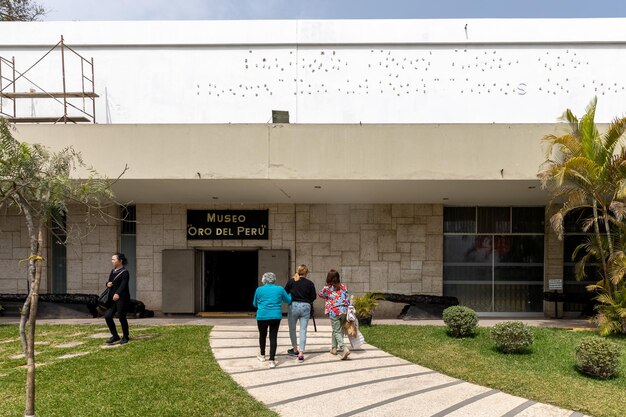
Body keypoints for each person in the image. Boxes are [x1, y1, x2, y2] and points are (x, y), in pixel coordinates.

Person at [252, 272, 291, 369]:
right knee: (273, 337)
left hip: (262, 315)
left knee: (262, 335)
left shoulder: (259, 290)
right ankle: (272, 360)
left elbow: (254, 304)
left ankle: (262, 355)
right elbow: (288, 300)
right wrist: (290, 294)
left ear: (264, 279)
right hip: (275, 316)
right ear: (274, 279)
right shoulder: (280, 289)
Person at [284, 264, 317, 363]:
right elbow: (313, 297)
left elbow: (285, 293)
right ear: (306, 273)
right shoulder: (310, 283)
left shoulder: (292, 281)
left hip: (293, 306)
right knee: (303, 330)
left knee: (292, 329)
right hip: (306, 306)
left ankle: (295, 350)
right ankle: (301, 354)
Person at [318, 269, 351, 360]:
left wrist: (327, 294)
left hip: (334, 312)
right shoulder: (343, 286)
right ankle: (334, 348)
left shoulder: (327, 288)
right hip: (344, 311)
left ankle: (343, 348)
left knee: (336, 331)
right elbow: (347, 299)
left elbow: (320, 295)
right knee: (337, 330)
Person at [104, 253, 131, 345]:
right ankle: (115, 336)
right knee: (108, 316)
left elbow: (124, 285)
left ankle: (125, 336)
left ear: (120, 261)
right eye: (112, 259)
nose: (112, 261)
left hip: (122, 298)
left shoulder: (125, 272)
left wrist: (117, 293)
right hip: (112, 298)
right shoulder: (113, 271)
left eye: (113, 259)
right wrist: (107, 284)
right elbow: (110, 282)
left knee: (121, 317)